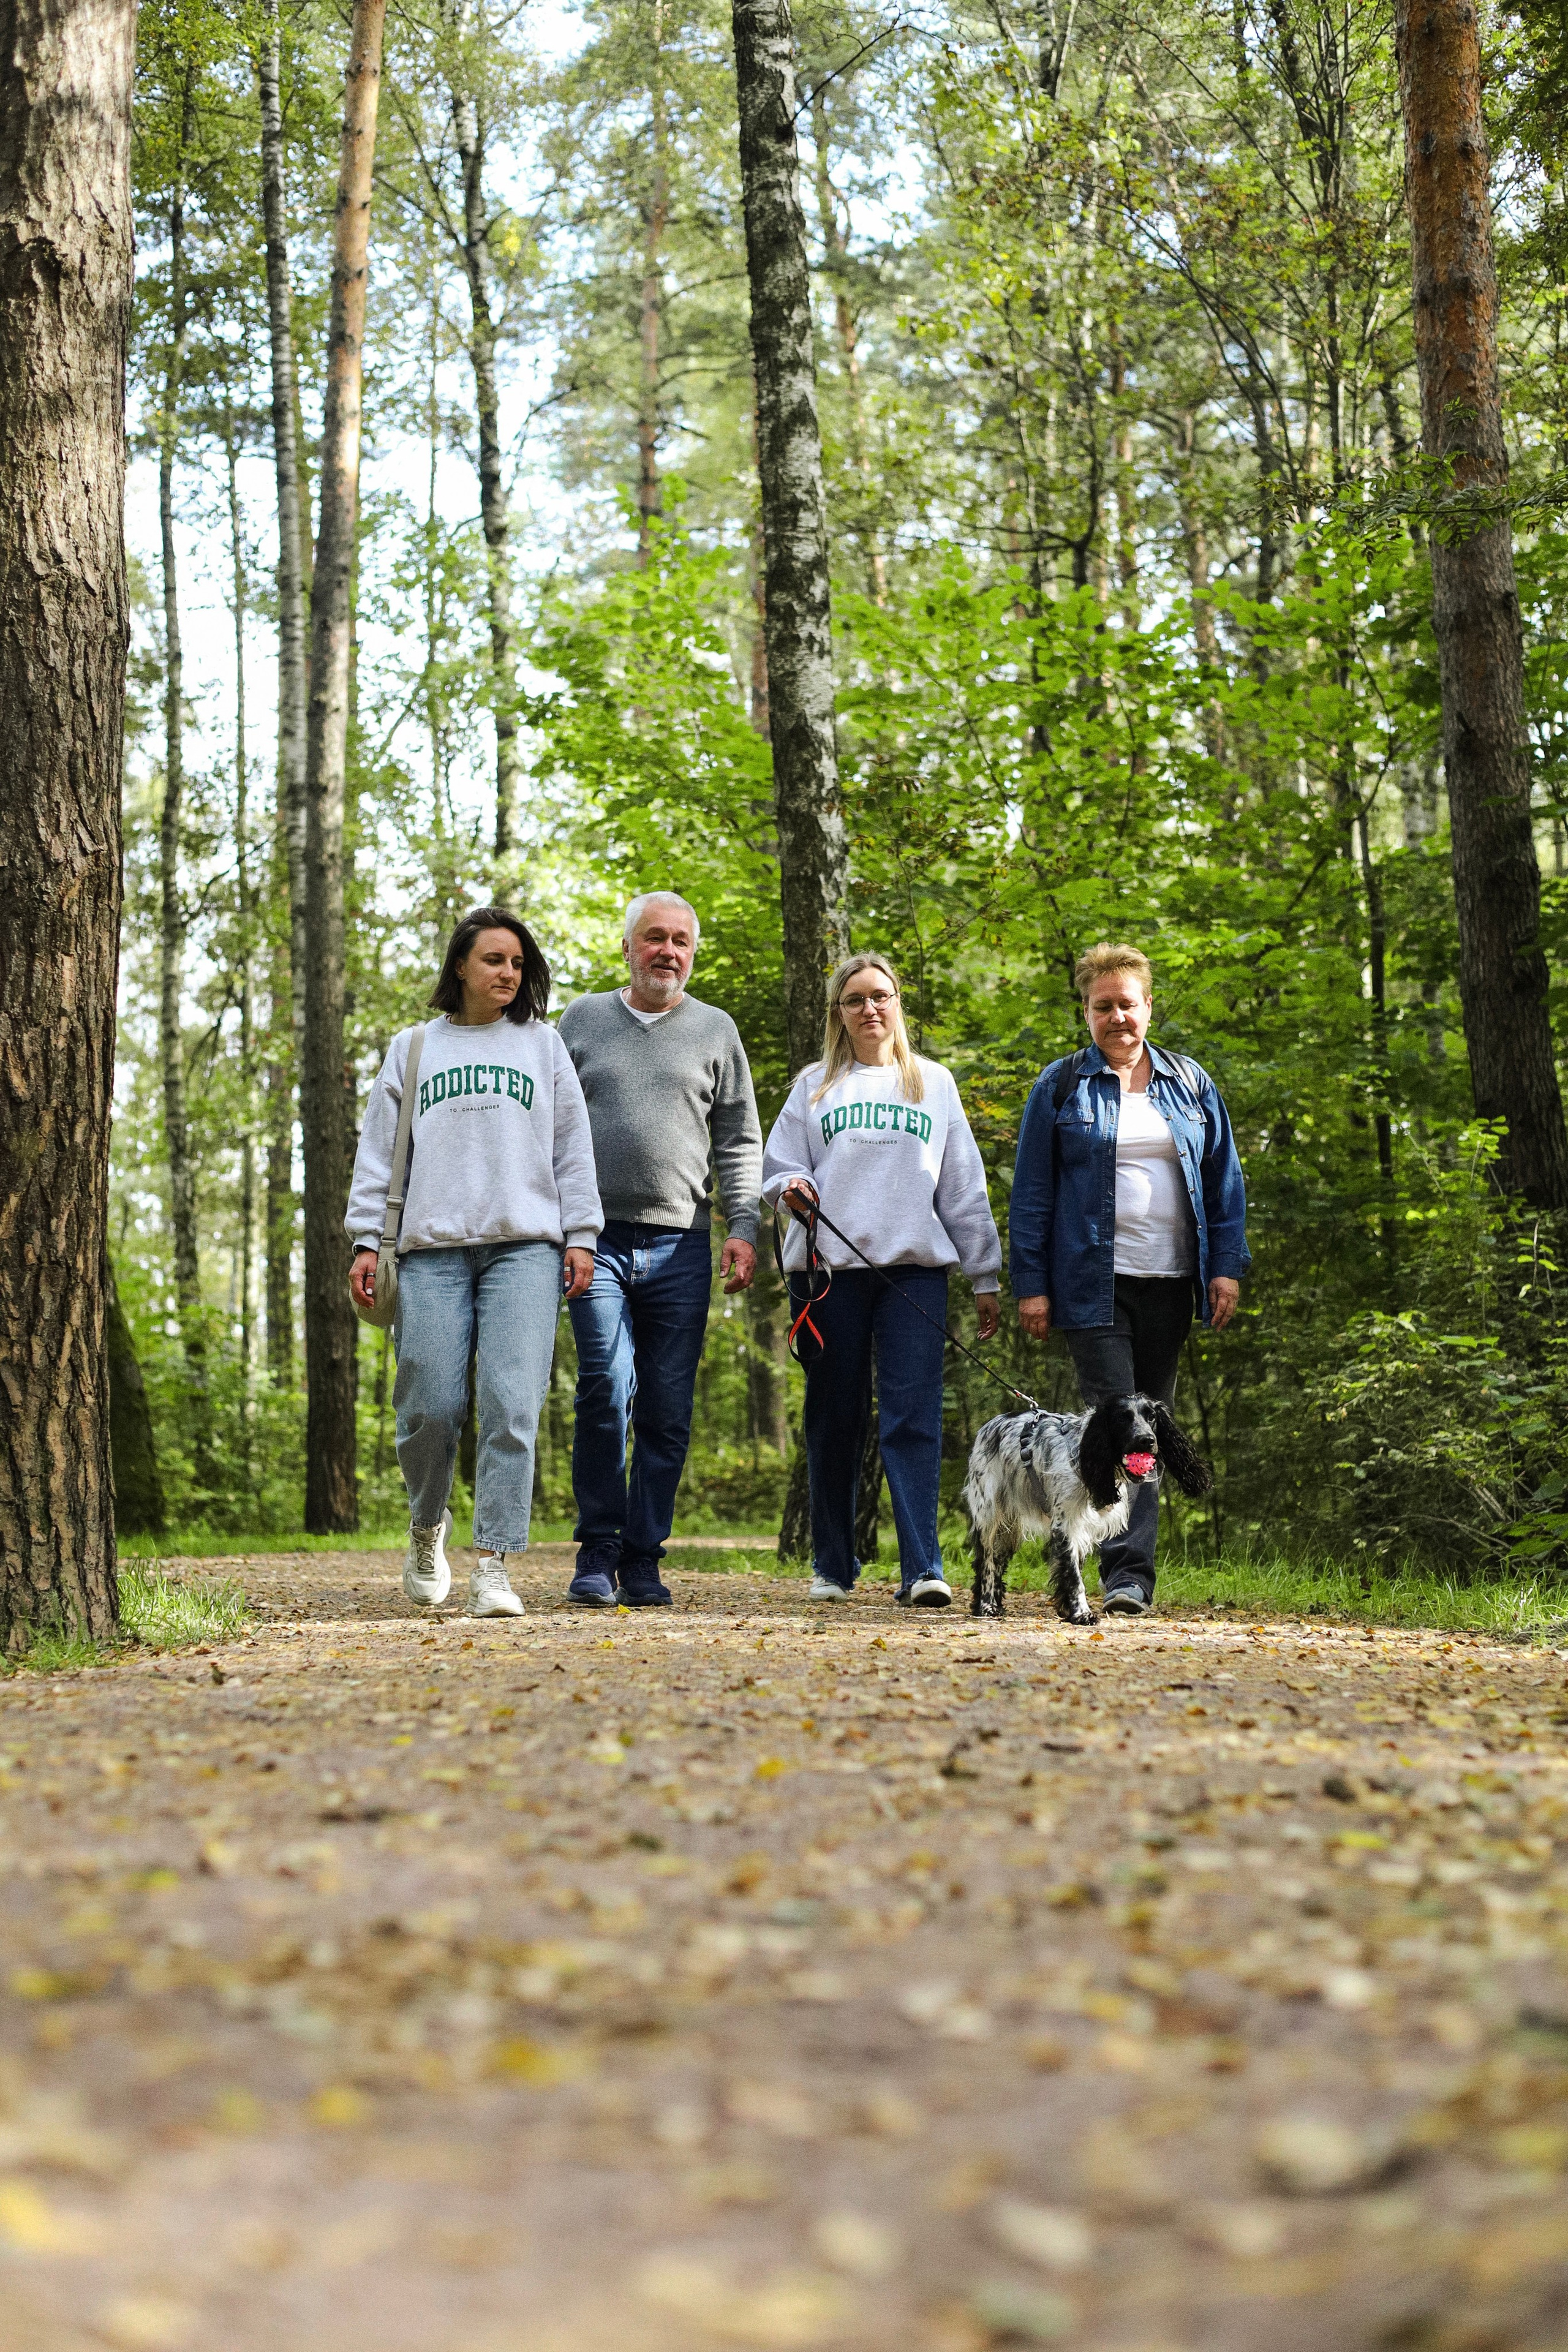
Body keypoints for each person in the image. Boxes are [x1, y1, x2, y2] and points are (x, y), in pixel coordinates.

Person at [346, 907, 601, 1618]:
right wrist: (368, 1239)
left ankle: (495, 1562)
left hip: (525, 1246)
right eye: (494, 960)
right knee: (429, 1407)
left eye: (518, 964)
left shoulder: (543, 1046)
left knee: (512, 1407)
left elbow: (572, 1149)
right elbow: (377, 1155)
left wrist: (580, 1234)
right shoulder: (415, 1047)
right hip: (430, 1249)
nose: (508, 974)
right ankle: (427, 1526)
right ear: (460, 965)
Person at [1008, 940, 1251, 1616]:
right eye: (1102, 1006)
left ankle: (1125, 1573)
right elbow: (1030, 1193)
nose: (1117, 1017)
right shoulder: (1060, 1087)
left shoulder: (1191, 1084)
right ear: (1084, 1012)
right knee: (1118, 1420)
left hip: (1172, 1282)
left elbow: (1224, 1183)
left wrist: (1225, 1269)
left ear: (1149, 1007)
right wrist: (1030, 1282)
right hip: (1092, 1283)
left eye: (1128, 1004)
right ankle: (1122, 1575)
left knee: (1150, 1428)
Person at [762, 952, 1002, 1609]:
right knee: (833, 1419)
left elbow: (961, 1187)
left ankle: (922, 1567)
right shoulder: (816, 1085)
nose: (870, 1008)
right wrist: (791, 1187)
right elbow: (777, 1166)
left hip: (914, 1274)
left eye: (881, 996)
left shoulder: (933, 1083)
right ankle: (832, 1567)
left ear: (898, 1004)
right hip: (828, 1277)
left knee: (913, 1420)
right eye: (855, 999)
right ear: (839, 1014)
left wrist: (985, 1274)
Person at [556, 892, 763, 1608]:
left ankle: (643, 1556)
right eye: (653, 938)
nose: (666, 952)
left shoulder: (715, 1029)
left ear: (692, 953)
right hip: (594, 1239)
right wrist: (558, 1224)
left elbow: (739, 1136)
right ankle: (598, 1548)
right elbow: (547, 1122)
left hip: (682, 1242)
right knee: (605, 1391)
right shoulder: (580, 1020)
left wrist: (744, 1225)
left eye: (680, 941)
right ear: (627, 948)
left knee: (668, 1408)